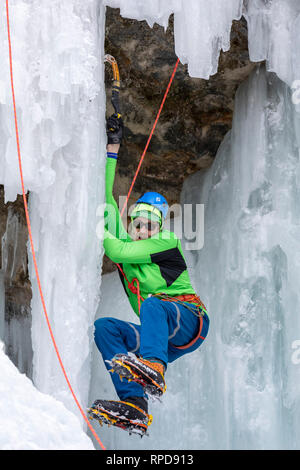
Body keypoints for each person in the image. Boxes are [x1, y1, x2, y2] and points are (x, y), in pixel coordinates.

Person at [88, 114, 210, 436]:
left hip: (190, 321)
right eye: (138, 224)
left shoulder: (166, 242)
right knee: (104, 329)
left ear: (159, 227)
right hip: (160, 336)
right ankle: (135, 404)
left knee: (154, 304)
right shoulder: (129, 245)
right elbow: (103, 200)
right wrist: (111, 150)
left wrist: (107, 235)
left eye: (150, 225)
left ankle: (154, 370)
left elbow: (115, 251)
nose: (143, 230)